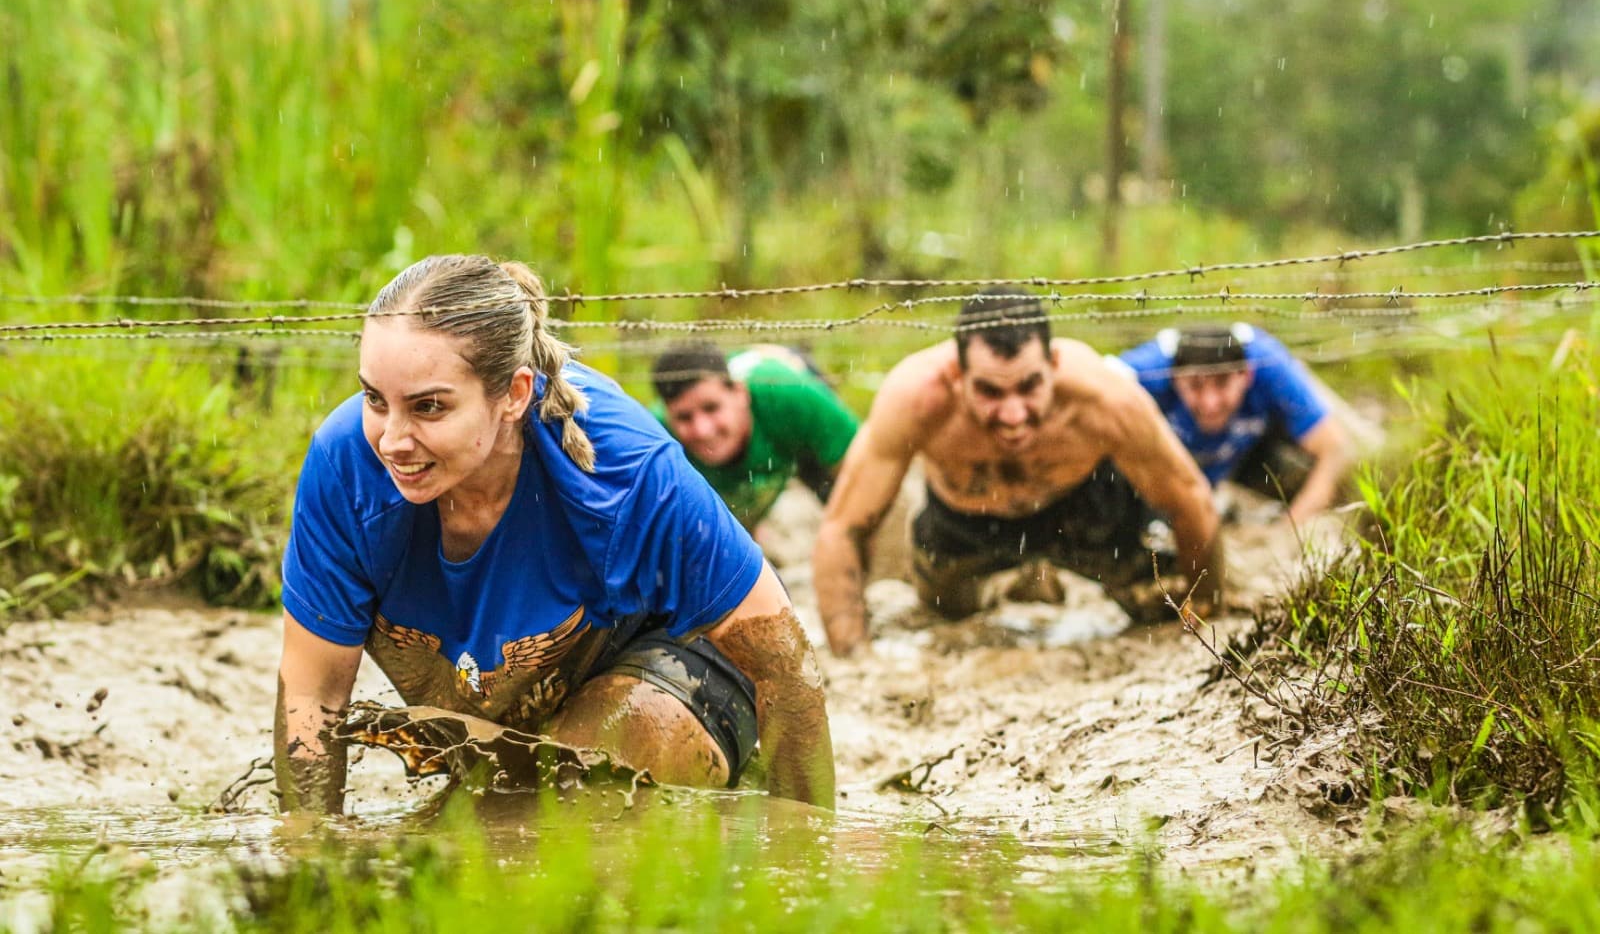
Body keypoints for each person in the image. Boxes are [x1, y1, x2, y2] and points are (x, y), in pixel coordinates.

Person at [274, 255, 834, 814]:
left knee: (561, 809)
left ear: (515, 394)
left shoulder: (626, 468)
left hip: (675, 661)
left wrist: (805, 863)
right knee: (458, 843)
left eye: (428, 407)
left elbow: (785, 667)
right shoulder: (345, 466)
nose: (392, 441)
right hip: (511, 702)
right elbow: (313, 697)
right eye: (375, 399)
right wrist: (308, 871)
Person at [812, 288, 1224, 657]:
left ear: (1054, 364)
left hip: (1085, 510)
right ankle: (1023, 582)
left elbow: (1189, 497)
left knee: (1159, 605)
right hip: (964, 523)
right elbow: (841, 528)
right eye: (990, 392)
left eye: (1029, 387)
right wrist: (852, 656)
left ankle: (1040, 576)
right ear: (958, 376)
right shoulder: (915, 399)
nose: (1012, 415)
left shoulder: (1104, 398)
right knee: (944, 611)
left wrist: (1203, 612)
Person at [1112, 324, 1352, 526]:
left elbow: (1333, 447)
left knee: (1348, 470)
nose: (1210, 403)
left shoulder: (1269, 365)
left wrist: (1290, 528)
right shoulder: (1144, 372)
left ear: (1246, 376)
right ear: (1174, 379)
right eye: (1195, 386)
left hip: (1251, 454)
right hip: (1164, 473)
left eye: (1222, 384)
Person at [650, 342, 859, 531]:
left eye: (711, 408)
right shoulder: (656, 437)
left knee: (844, 504)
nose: (703, 430)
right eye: (684, 418)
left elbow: (861, 467)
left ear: (740, 393)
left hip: (790, 404)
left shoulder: (791, 395)